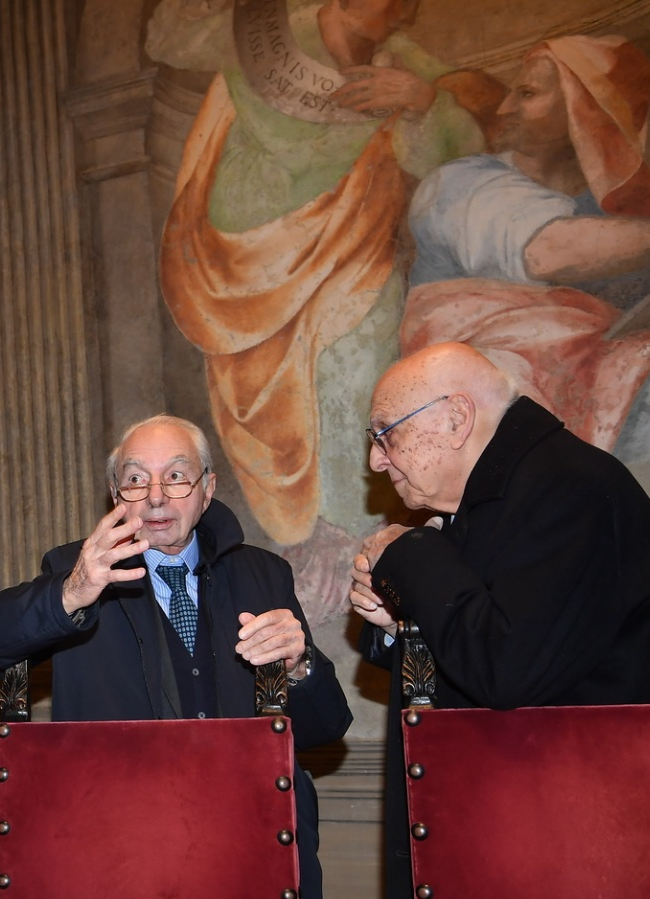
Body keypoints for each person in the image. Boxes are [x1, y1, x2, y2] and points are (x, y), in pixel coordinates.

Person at [349, 341, 650, 899]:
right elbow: (479, 655)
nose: (376, 460)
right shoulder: (498, 502)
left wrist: (410, 555)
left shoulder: (568, 489)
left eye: (385, 434)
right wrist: (397, 625)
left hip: (603, 881)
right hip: (523, 867)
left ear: (456, 417)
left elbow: (509, 668)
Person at [0, 414, 352, 899]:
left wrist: (300, 665)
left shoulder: (262, 575)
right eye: (136, 479)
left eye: (176, 476)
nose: (157, 496)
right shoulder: (81, 571)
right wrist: (71, 592)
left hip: (251, 867)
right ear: (117, 496)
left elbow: (325, 728)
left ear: (207, 489)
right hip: (128, 874)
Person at [149, 0, 494, 621]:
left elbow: (465, 154)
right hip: (250, 254)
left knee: (360, 368)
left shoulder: (399, 61)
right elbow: (167, 35)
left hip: (360, 240)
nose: (391, 10)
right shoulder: (259, 33)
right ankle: (317, 544)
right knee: (272, 391)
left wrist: (421, 101)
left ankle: (357, 539)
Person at [404, 34, 650, 462]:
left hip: (607, 382)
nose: (504, 108)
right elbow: (546, 251)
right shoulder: (460, 183)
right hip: (489, 386)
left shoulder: (638, 214)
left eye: (527, 94)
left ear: (586, 107)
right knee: (501, 391)